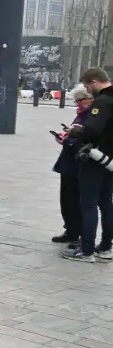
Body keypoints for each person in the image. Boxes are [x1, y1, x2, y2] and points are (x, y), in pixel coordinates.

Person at [65, 67, 113, 262]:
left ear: (94, 81)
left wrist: (75, 131)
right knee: (106, 203)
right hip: (110, 160)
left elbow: (93, 130)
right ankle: (106, 248)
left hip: (95, 157)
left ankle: (86, 251)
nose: (87, 90)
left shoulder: (102, 101)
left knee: (89, 204)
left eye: (87, 86)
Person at [52, 85, 93, 245]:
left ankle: (78, 232)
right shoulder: (82, 114)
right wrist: (65, 135)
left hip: (78, 162)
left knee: (75, 199)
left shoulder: (92, 116)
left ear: (90, 98)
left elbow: (85, 138)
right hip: (69, 162)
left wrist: (67, 140)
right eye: (76, 102)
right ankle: (71, 230)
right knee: (67, 199)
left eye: (80, 100)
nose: (78, 104)